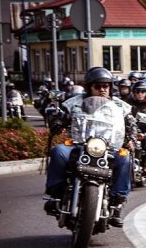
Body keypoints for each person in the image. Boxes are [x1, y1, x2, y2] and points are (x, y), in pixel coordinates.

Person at [43, 66, 136, 227]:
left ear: (110, 87)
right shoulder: (74, 103)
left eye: (105, 86)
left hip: (109, 147)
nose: (102, 89)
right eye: (97, 86)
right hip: (79, 145)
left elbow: (131, 124)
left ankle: (117, 201)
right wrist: (56, 121)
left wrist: (131, 138)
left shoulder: (121, 106)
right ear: (89, 87)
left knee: (124, 158)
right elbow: (60, 115)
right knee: (58, 151)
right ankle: (55, 193)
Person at [128, 80, 146, 176]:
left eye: (142, 92)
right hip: (131, 129)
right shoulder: (129, 102)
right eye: (137, 92)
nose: (140, 94)